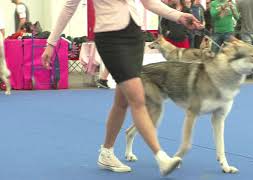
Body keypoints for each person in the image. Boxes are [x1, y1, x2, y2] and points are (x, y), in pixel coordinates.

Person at [41, 0, 202, 176]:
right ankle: (161, 157)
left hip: (134, 37)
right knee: (138, 98)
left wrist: (179, 16)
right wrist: (51, 43)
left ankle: (106, 152)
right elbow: (68, 7)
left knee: (122, 102)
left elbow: (149, 3)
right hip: (109, 38)